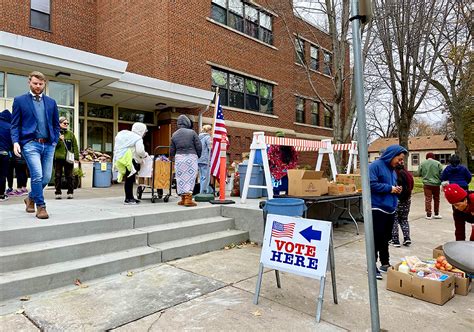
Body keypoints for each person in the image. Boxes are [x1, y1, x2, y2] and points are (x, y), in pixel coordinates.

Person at [11, 71, 60, 219]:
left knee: (45, 178)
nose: (38, 86)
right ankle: (41, 206)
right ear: (29, 83)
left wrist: (55, 140)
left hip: (48, 144)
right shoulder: (20, 101)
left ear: (44, 84)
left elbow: (56, 124)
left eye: (40, 84)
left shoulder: (51, 102)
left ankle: (30, 198)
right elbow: (15, 125)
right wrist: (15, 142)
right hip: (30, 144)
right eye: (35, 83)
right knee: (37, 175)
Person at [369, 144, 407, 280]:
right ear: (391, 155)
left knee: (386, 238)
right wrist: (390, 188)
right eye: (399, 158)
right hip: (377, 208)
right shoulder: (375, 166)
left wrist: (396, 190)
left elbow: (390, 186)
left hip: (390, 209)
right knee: (375, 239)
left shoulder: (392, 170)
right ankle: (371, 266)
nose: (401, 162)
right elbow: (370, 183)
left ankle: (385, 263)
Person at [113, 122, 148, 205]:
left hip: (121, 159)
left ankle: (131, 197)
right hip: (130, 160)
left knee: (129, 179)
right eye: (144, 131)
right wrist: (145, 155)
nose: (144, 133)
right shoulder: (137, 138)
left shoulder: (125, 135)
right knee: (129, 180)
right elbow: (140, 151)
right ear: (141, 130)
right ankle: (128, 199)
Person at [170, 115, 202, 207]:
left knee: (180, 178)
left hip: (179, 158)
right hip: (191, 157)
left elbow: (172, 149)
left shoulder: (174, 134)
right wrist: (198, 155)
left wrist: (172, 158)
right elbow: (198, 146)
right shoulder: (192, 132)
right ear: (187, 123)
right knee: (190, 178)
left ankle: (183, 199)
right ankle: (188, 200)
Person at [390, 159, 414, 247]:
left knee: (394, 220)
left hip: (396, 200)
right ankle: (407, 238)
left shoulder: (394, 175)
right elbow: (411, 186)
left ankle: (395, 240)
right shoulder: (408, 175)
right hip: (406, 200)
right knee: (404, 219)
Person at [54, 117, 79, 199]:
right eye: (64, 123)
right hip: (58, 158)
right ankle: (58, 192)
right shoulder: (56, 133)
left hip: (69, 158)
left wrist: (76, 157)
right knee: (58, 175)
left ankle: (70, 192)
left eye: (67, 123)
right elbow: (53, 146)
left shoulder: (70, 134)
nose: (66, 125)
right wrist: (59, 139)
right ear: (59, 124)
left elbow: (75, 146)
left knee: (70, 176)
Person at [268, 131, 298, 196]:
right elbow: (295, 156)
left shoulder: (273, 145)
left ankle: (276, 195)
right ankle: (287, 195)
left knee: (277, 186)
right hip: (288, 168)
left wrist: (273, 165)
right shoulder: (289, 145)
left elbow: (270, 156)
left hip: (277, 169)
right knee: (287, 184)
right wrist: (292, 165)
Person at [418, 152, 443, 220]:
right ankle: (436, 213)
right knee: (437, 199)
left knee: (428, 199)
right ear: (433, 157)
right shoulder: (438, 163)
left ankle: (428, 214)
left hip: (427, 184)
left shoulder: (422, 163)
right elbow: (442, 173)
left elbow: (418, 173)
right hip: (436, 184)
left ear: (427, 157)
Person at [0, 109, 13, 201]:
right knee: (2, 174)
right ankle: (1, 195)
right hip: (4, 153)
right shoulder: (10, 127)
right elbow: (13, 142)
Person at [197, 124, 212, 194]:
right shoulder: (207, 137)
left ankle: (203, 191)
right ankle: (203, 192)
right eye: (211, 130)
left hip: (199, 159)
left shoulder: (198, 137)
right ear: (208, 130)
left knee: (201, 177)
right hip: (205, 160)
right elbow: (210, 148)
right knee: (206, 177)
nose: (211, 132)